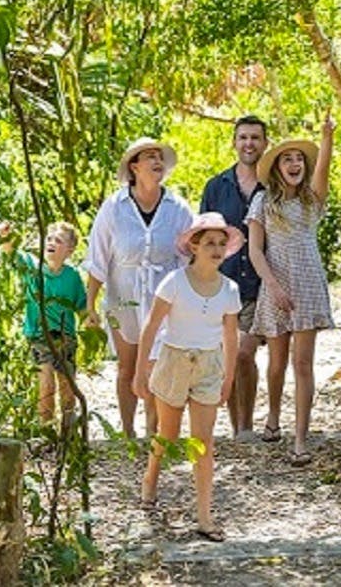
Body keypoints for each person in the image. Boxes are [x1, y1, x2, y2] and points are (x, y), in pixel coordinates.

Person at [133, 212, 243, 542]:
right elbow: (151, 327)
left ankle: (205, 516)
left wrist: (228, 378)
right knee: (167, 434)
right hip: (174, 360)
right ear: (194, 245)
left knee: (203, 443)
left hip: (209, 365)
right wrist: (140, 372)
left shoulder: (230, 289)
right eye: (209, 242)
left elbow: (232, 337)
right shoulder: (175, 282)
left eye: (221, 243)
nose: (216, 249)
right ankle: (150, 478)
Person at [84, 137, 194, 439]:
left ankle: (153, 432)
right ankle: (128, 431)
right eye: (149, 157)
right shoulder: (114, 207)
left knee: (157, 366)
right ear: (134, 166)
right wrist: (90, 305)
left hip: (164, 297)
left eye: (160, 157)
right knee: (127, 367)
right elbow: (98, 257)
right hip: (124, 296)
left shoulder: (178, 207)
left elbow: (189, 256)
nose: (157, 162)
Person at [246, 112, 335, 466]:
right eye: (287, 159)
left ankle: (300, 439)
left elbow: (324, 170)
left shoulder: (312, 200)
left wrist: (327, 138)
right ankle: (272, 417)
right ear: (277, 167)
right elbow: (255, 249)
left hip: (308, 285)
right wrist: (273, 285)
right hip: (275, 284)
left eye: (299, 159)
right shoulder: (263, 202)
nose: (294, 164)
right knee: (277, 361)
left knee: (303, 363)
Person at [199, 115, 269, 442]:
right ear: (234, 142)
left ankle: (247, 426)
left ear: (265, 144)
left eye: (255, 138)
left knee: (243, 353)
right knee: (228, 358)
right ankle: (236, 427)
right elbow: (202, 237)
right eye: (243, 137)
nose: (249, 143)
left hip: (261, 286)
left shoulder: (273, 186)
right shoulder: (216, 186)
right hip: (222, 286)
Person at [0, 220, 87, 427]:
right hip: (39, 336)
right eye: (49, 238)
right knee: (46, 384)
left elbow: (81, 305)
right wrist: (5, 235)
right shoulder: (32, 266)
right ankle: (45, 428)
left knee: (67, 386)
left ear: (69, 250)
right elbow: (11, 253)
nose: (52, 243)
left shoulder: (72, 276)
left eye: (59, 240)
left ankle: (68, 431)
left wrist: (91, 320)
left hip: (65, 337)